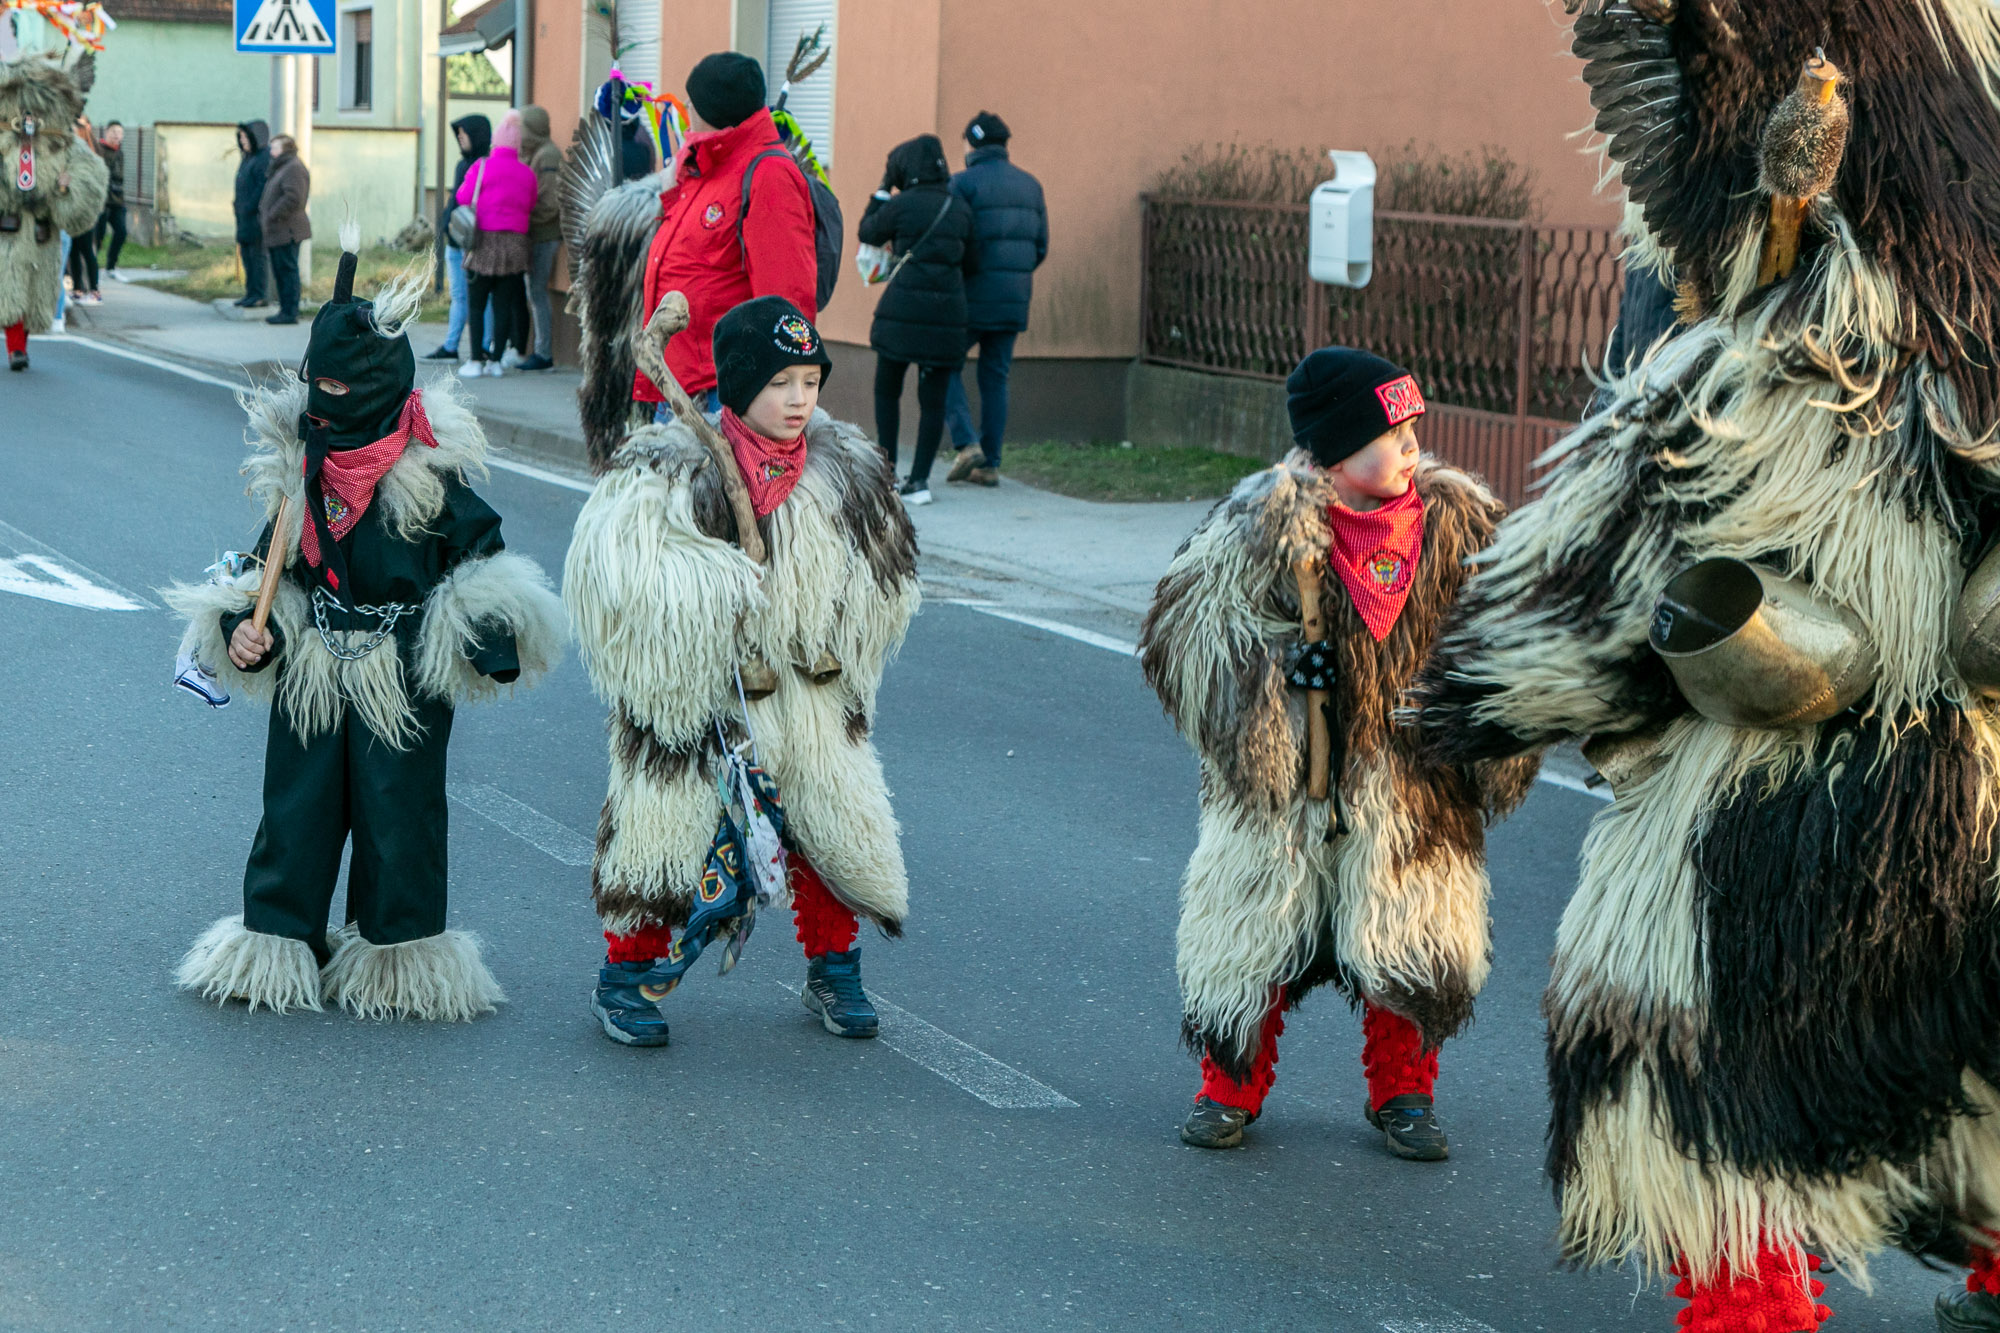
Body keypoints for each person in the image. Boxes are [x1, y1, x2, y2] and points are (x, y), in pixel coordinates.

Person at [1418, 7, 2000, 1330]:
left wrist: (1483, 712)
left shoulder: (1718, 388)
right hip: (1964, 794)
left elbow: (1575, 603)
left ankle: (1756, 1301)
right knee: (1967, 1045)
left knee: (1696, 1082)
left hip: (1753, 816)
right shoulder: (1975, 371)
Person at [1139, 348, 1535, 1159]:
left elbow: (1510, 633)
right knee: (1254, 946)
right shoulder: (1263, 529)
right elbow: (1185, 634)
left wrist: (1468, 710)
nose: (1411, 443)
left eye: (1412, 425)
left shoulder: (1458, 528)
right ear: (1332, 452)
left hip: (1409, 786)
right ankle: (1228, 1090)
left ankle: (1405, 1093)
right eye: (1389, 431)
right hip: (1290, 795)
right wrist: (1277, 677)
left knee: (1407, 944)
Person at [164, 236, 565, 1021]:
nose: (325, 403)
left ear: (380, 388)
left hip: (403, 672)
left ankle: (397, 952)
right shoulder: (299, 466)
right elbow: (268, 569)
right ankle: (280, 936)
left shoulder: (430, 477)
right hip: (315, 660)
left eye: (342, 386)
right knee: (297, 807)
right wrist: (251, 630)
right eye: (318, 386)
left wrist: (484, 634)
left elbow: (478, 558)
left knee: (399, 811)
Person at [566, 294, 919, 1048]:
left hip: (806, 691)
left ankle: (835, 966)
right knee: (662, 834)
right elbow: (619, 582)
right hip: (701, 701)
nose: (799, 400)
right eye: (780, 383)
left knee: (830, 826)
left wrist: (835, 632)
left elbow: (889, 577)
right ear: (737, 386)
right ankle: (625, 976)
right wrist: (716, 590)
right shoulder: (664, 468)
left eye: (810, 381)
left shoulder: (846, 471)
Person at [632, 51, 818, 420]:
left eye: (693, 101)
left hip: (724, 391)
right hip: (679, 380)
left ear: (714, 110)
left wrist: (771, 399)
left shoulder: (769, 176)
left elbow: (785, 299)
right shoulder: (712, 163)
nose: (685, 107)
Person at [856, 133, 976, 505]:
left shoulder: (902, 205)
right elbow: (974, 262)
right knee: (933, 399)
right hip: (947, 315)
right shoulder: (960, 208)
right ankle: (920, 481)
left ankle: (886, 472)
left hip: (902, 313)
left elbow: (868, 230)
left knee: (887, 388)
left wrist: (881, 188)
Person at [942, 111, 1046, 488]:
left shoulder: (961, 184)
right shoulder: (1031, 186)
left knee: (942, 362)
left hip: (970, 296)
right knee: (996, 376)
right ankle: (991, 463)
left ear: (972, 143)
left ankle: (967, 443)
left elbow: (953, 240)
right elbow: (1040, 247)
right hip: (1013, 298)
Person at [0, 54, 109, 370]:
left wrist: (65, 189)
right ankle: (15, 349)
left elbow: (88, 180)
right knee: (9, 291)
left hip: (43, 234)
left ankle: (21, 344)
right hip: (7, 233)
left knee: (36, 296)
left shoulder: (65, 145)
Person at [454, 109, 536, 378]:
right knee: (504, 304)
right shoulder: (527, 173)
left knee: (476, 303)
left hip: (482, 243)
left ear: (496, 142)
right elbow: (531, 204)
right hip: (515, 246)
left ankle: (476, 360)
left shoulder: (481, 167)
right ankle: (497, 361)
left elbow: (463, 197)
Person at [424, 114, 488, 362]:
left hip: (468, 241)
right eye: (458, 134)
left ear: (477, 135)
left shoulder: (478, 166)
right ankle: (462, 345)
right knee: (467, 296)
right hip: (460, 240)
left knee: (472, 297)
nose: (460, 138)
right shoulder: (465, 165)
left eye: (464, 134)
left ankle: (463, 345)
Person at [516, 105, 561, 372]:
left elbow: (550, 202)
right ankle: (539, 350)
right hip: (538, 233)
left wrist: (525, 221)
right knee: (534, 291)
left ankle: (544, 353)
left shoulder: (548, 156)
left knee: (537, 292)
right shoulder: (537, 154)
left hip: (545, 234)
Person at [259, 133, 311, 325]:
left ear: (285, 149)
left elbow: (294, 198)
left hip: (287, 230)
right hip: (278, 230)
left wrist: (273, 213)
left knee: (287, 271)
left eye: (275, 147)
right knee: (282, 271)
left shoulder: (293, 168)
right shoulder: (283, 167)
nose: (271, 151)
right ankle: (285, 310)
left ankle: (289, 312)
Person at [231, 119, 271, 309]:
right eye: (241, 137)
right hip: (243, 217)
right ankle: (250, 292)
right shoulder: (247, 157)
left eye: (246, 136)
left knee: (257, 257)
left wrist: (248, 206)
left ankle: (259, 294)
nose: (243, 140)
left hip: (255, 218)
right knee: (247, 256)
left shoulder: (263, 157)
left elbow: (261, 187)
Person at [65, 115, 100, 305]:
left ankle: (94, 290)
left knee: (86, 250)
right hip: (72, 211)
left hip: (85, 211)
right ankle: (78, 289)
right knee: (74, 250)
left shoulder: (88, 155)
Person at [95, 119, 125, 279]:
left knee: (121, 231)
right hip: (102, 202)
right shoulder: (99, 149)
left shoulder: (120, 152)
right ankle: (91, 267)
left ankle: (111, 266)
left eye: (120, 133)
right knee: (98, 236)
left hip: (117, 201)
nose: (117, 136)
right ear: (106, 132)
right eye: (114, 132)